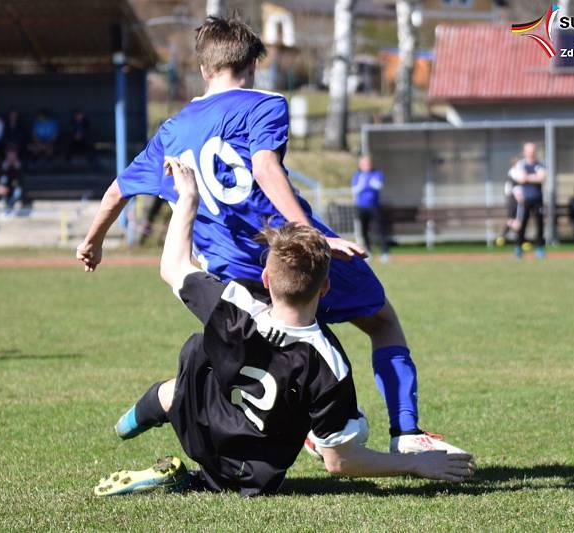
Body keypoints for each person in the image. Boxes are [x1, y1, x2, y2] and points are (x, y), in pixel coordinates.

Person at [77, 16, 467, 455]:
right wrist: (313, 236)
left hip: (230, 279)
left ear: (204, 69)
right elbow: (265, 165)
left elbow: (117, 190)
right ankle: (405, 433)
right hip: (293, 255)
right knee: (381, 322)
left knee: (255, 360)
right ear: (253, 63)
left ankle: (165, 414)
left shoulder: (172, 131)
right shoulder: (263, 104)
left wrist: (93, 241)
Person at [94, 158, 476, 497]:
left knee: (187, 371)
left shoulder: (235, 304)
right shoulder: (329, 364)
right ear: (326, 288)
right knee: (350, 428)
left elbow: (173, 266)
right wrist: (414, 465)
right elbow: (340, 463)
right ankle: (194, 478)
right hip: (247, 473)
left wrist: (189, 199)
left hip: (196, 420)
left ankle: (123, 428)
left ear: (265, 277)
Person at [351, 155, 389, 262]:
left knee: (380, 229)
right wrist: (367, 184)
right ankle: (368, 252)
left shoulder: (377, 173)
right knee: (364, 231)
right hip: (361, 207)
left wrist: (365, 184)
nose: (366, 165)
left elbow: (377, 186)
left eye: (367, 163)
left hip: (374, 207)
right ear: (360, 165)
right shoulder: (357, 175)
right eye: (363, 163)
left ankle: (385, 253)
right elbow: (355, 189)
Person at [512, 142, 546, 258]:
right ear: (525, 152)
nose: (531, 153)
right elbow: (520, 179)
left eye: (532, 151)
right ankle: (518, 248)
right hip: (524, 200)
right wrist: (533, 177)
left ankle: (540, 249)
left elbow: (542, 178)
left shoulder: (540, 163)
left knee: (539, 224)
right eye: (528, 151)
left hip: (538, 199)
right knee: (522, 225)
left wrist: (528, 177)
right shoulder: (521, 164)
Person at [496, 159, 524, 247]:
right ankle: (503, 237)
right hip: (512, 200)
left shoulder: (518, 173)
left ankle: (520, 240)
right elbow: (511, 189)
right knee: (513, 220)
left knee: (518, 220)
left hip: (518, 200)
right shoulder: (512, 174)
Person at [0, 145, 24, 214]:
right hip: (4, 189)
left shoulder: (20, 165)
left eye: (13, 153)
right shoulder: (1, 165)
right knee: (3, 180)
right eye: (10, 153)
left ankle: (11, 206)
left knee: (17, 192)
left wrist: (17, 168)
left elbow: (22, 181)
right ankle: (7, 205)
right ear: (6, 154)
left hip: (16, 190)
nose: (11, 156)